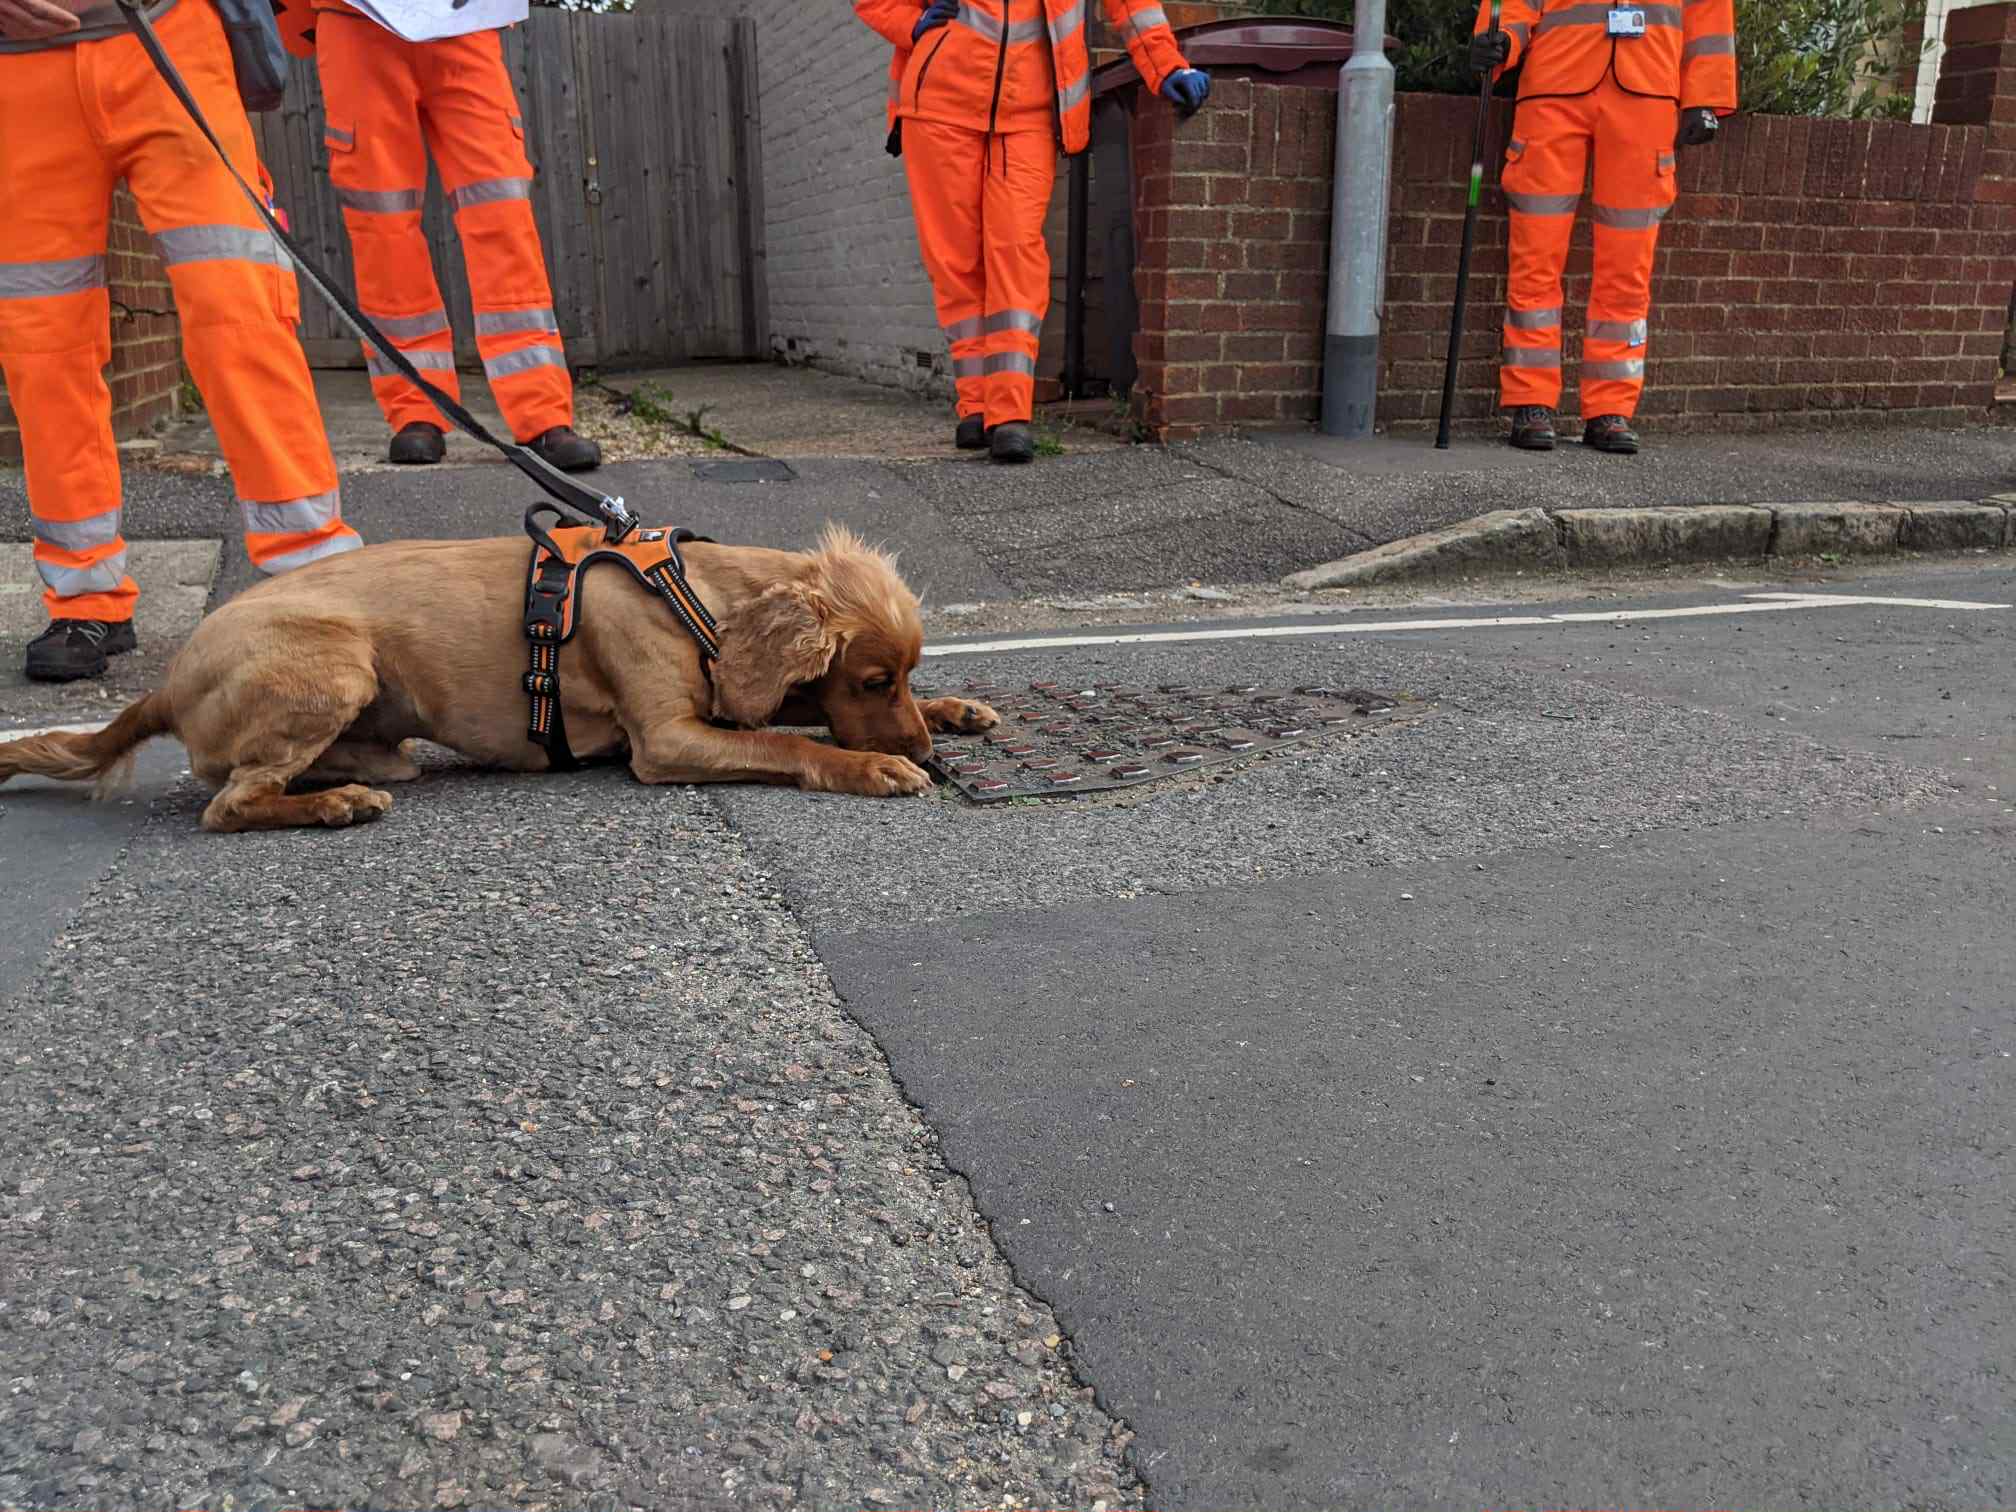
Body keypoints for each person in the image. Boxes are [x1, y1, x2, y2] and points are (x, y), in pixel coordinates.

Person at [0, 0, 362, 683]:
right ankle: (85, 595)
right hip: (17, 66)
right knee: (40, 339)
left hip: (169, 33)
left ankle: (314, 572)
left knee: (238, 304)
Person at [855, 0, 1211, 464]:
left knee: (1016, 253)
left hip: (1030, 113)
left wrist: (1166, 66)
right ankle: (976, 406)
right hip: (938, 106)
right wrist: (912, 24)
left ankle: (1009, 414)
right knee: (955, 262)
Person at [277, 0, 600, 471]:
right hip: (356, 22)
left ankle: (543, 415)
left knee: (501, 213)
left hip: (464, 22)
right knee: (382, 226)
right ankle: (416, 409)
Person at [1472, 0, 1737, 455]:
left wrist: (1704, 98)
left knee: (1627, 266)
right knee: (1535, 255)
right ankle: (1531, 401)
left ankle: (1610, 408)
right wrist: (1499, 42)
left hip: (1647, 93)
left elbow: (1708, 15)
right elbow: (1517, 4)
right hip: (1554, 86)